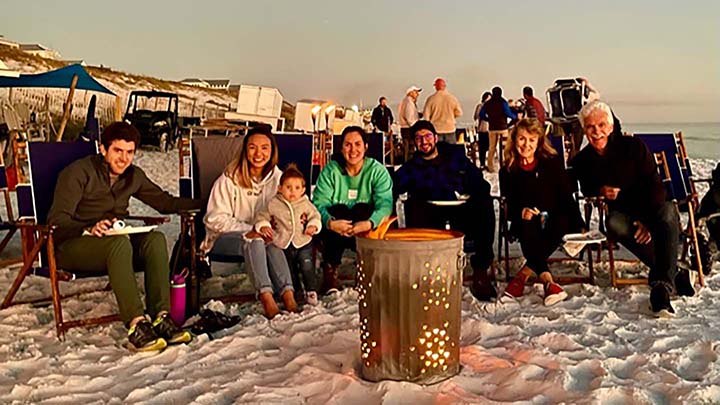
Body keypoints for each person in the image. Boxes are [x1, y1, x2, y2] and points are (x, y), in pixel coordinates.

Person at [48, 122, 199, 351]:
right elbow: (57, 221)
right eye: (117, 151)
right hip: (72, 245)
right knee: (119, 244)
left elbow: (165, 202)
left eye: (129, 152)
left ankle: (161, 316)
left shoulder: (133, 176)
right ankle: (136, 324)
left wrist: (208, 205)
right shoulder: (78, 173)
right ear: (103, 149)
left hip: (115, 244)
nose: (124, 158)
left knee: (155, 240)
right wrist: (89, 227)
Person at [570, 100, 691, 317]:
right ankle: (676, 271)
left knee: (668, 212)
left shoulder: (633, 147)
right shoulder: (583, 160)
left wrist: (647, 222)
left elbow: (656, 187)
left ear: (611, 126)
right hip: (624, 215)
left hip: (652, 208)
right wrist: (599, 189)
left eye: (601, 126)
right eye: (590, 127)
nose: (596, 132)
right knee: (612, 223)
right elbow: (586, 188)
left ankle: (661, 287)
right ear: (585, 129)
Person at [394, 120, 497, 301]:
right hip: (430, 216)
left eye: (427, 136)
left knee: (484, 203)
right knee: (413, 204)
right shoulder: (411, 168)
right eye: (418, 138)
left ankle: (480, 270)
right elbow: (393, 187)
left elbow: (479, 182)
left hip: (461, 211)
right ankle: (425, 271)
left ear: (435, 137)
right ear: (414, 143)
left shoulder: (456, 158)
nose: (424, 141)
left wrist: (470, 193)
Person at [202, 127, 298, 319]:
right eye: (253, 148)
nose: (258, 153)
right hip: (224, 239)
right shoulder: (229, 179)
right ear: (245, 150)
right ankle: (266, 297)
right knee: (254, 240)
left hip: (264, 238)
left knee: (271, 241)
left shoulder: (279, 180)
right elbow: (214, 219)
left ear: (272, 151)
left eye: (264, 148)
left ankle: (289, 295)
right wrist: (250, 230)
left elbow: (289, 211)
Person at [499, 118, 585, 305]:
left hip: (554, 218)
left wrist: (580, 224)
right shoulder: (507, 169)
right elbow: (508, 204)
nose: (526, 144)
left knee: (560, 221)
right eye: (522, 139)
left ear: (538, 142)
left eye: (531, 140)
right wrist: (520, 212)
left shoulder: (551, 163)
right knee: (528, 225)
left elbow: (565, 196)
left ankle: (522, 276)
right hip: (525, 221)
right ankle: (549, 283)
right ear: (514, 140)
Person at [312, 126, 394, 293]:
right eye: (348, 145)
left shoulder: (376, 170)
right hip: (336, 227)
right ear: (341, 148)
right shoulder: (331, 170)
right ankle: (330, 271)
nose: (353, 150)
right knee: (339, 209)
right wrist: (330, 223)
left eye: (358, 144)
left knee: (362, 208)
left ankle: (365, 270)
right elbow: (318, 204)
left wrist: (370, 223)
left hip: (364, 225)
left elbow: (385, 204)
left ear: (366, 146)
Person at [254, 164, 322, 306]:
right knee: (289, 269)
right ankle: (295, 291)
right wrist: (264, 225)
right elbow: (262, 216)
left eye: (297, 188)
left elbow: (315, 215)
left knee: (306, 266)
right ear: (280, 188)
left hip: (303, 241)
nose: (292, 191)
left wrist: (313, 225)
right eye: (288, 187)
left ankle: (311, 290)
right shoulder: (274, 203)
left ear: (303, 190)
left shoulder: (305, 203)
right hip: (283, 242)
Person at [479, 86, 517, 172]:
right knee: (505, 147)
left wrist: (488, 119)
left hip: (492, 128)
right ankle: (506, 165)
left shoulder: (487, 103)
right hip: (502, 128)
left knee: (491, 147)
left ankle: (490, 167)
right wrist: (514, 117)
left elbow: (481, 115)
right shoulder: (503, 102)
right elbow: (508, 113)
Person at [423, 78, 463, 144]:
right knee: (451, 152)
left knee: (438, 152)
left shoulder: (431, 99)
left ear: (435, 87)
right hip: (450, 129)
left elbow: (426, 116)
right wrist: (451, 116)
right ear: (444, 86)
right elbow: (459, 113)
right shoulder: (452, 98)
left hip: (436, 129)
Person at [398, 85, 422, 162]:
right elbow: (409, 117)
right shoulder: (409, 102)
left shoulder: (406, 101)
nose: (417, 94)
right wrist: (416, 127)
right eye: (416, 92)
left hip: (405, 128)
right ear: (411, 93)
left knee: (407, 149)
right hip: (409, 129)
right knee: (410, 149)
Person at [473, 91, 492, 170]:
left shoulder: (492, 107)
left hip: (490, 129)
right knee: (482, 148)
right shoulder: (480, 106)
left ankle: (488, 163)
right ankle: (482, 163)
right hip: (483, 129)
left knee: (490, 147)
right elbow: (476, 117)